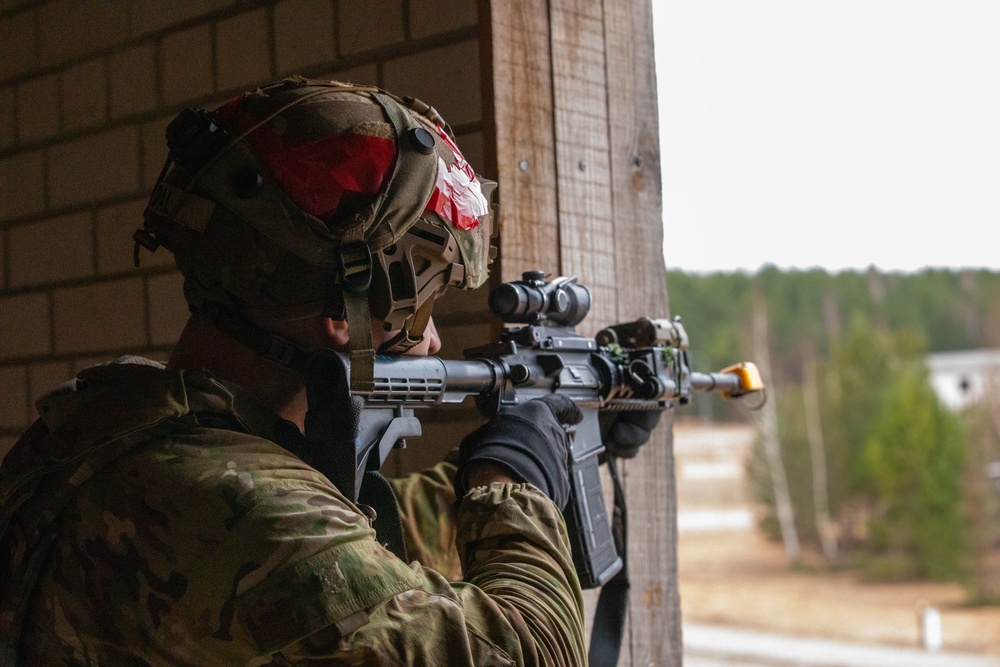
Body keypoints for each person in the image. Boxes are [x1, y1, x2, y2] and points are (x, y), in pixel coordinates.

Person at [0, 78, 654, 666]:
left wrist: (557, 453)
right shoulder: (246, 513)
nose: (431, 341)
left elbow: (358, 543)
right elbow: (531, 652)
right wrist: (513, 485)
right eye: (425, 302)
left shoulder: (121, 421)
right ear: (349, 310)